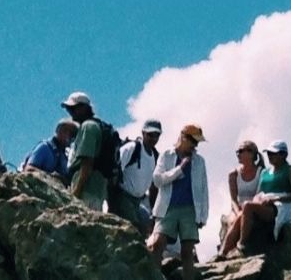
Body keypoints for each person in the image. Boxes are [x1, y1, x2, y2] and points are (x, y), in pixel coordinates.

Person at [147, 125, 209, 280]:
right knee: (157, 244)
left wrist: (203, 216)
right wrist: (179, 169)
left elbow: (203, 189)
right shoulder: (166, 156)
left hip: (190, 209)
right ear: (183, 137)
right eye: (193, 141)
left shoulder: (199, 161)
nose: (195, 146)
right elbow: (157, 180)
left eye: (197, 143)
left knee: (188, 250)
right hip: (167, 207)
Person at [222, 140, 291, 255]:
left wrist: (275, 199)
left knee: (248, 206)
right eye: (269, 153)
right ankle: (223, 252)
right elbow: (259, 193)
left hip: (280, 207)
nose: (271, 156)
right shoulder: (265, 172)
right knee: (242, 213)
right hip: (264, 204)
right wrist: (258, 201)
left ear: (284, 154)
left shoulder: (289, 170)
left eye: (274, 153)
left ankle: (242, 244)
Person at [112, 119, 163, 234]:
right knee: (132, 229)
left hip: (138, 201)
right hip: (123, 196)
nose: (153, 139)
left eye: (156, 135)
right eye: (150, 134)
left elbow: (154, 187)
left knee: (146, 228)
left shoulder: (155, 157)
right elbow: (114, 170)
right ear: (143, 133)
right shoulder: (132, 148)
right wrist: (113, 200)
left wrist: (154, 213)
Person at [62, 91, 111, 209]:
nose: (71, 112)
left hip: (86, 190)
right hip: (97, 189)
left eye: (73, 108)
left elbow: (87, 164)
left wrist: (76, 193)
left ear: (84, 108)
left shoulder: (88, 127)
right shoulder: (97, 125)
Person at [218, 141, 262, 253]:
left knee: (242, 217)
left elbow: (260, 194)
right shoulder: (234, 174)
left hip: (254, 206)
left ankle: (224, 251)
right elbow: (233, 199)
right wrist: (237, 211)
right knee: (235, 220)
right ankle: (227, 251)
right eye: (238, 151)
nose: (238, 154)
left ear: (252, 154)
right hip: (238, 207)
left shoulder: (261, 172)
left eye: (241, 151)